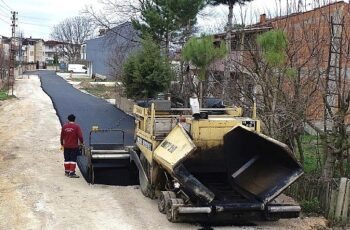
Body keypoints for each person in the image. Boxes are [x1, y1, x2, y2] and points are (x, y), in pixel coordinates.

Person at [60, 114, 84, 178]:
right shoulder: (76, 127)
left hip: (66, 146)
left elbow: (62, 136)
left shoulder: (64, 126)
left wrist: (62, 144)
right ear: (74, 119)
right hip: (74, 146)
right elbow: (80, 136)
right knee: (73, 159)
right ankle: (72, 173)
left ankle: (67, 171)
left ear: (68, 119)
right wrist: (82, 142)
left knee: (67, 158)